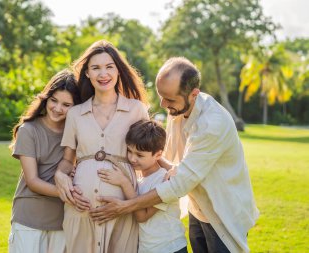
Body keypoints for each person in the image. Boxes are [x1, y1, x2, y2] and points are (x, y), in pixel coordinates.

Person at [89, 57, 260, 253]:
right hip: (199, 207)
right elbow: (171, 163)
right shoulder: (177, 110)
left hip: (224, 210)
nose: (163, 104)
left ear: (194, 94)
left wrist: (125, 206)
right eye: (161, 95)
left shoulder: (212, 124)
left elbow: (180, 184)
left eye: (169, 99)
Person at [54, 40, 149, 253]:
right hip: (81, 207)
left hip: (121, 205)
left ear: (118, 70)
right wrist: (59, 176)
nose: (103, 74)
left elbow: (150, 153)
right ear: (87, 73)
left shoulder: (136, 110)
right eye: (95, 68)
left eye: (109, 67)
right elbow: (68, 160)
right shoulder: (75, 114)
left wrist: (169, 168)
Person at [8, 69, 81, 253]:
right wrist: (68, 194)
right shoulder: (29, 130)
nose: (57, 108)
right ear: (46, 98)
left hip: (60, 219)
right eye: (54, 100)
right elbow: (32, 181)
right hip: (28, 218)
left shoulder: (75, 132)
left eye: (66, 104)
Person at [97, 119, 188, 253]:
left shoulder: (164, 179)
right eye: (129, 151)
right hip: (149, 248)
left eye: (139, 155)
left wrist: (124, 183)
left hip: (169, 248)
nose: (132, 158)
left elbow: (142, 216)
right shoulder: (140, 179)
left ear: (158, 154)